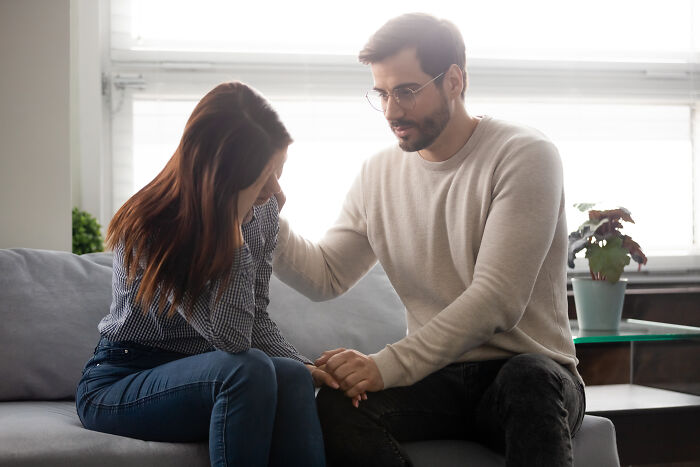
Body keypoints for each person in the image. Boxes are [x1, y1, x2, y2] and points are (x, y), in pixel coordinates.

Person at [272, 13, 585, 467]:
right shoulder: (377, 174)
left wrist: (382, 366)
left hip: (531, 374)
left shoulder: (524, 154)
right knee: (335, 409)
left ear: (454, 80)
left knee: (527, 378)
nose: (391, 111)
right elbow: (327, 275)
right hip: (439, 379)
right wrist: (265, 212)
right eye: (381, 93)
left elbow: (497, 299)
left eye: (406, 91)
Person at [75, 82, 332, 467]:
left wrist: (308, 366)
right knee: (247, 370)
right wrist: (234, 237)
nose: (277, 192)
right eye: (264, 177)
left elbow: (255, 321)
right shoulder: (151, 225)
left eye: (279, 173)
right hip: (121, 380)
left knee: (293, 377)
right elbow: (231, 341)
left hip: (209, 377)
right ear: (222, 175)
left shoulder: (263, 213)